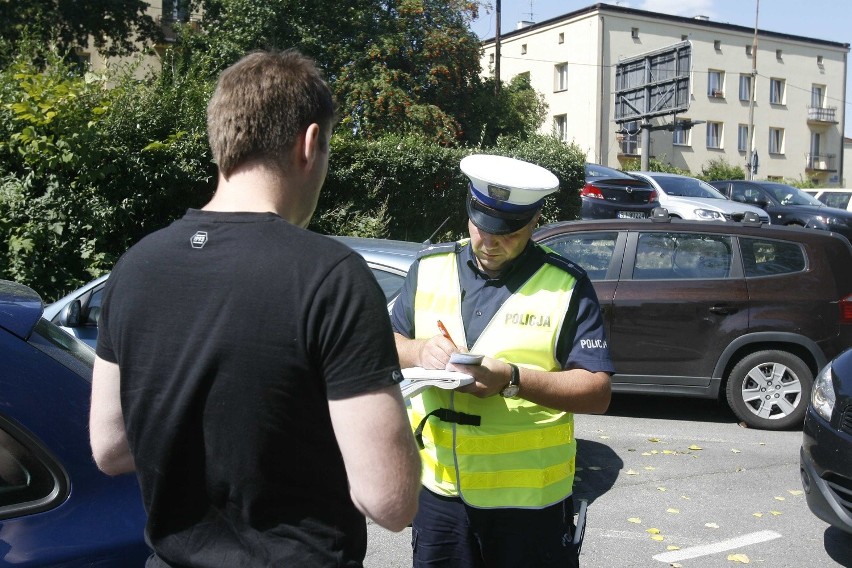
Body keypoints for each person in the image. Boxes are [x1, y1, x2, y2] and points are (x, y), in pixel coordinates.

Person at [89, 49, 422, 568]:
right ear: (309, 144)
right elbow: (391, 500)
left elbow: (109, 448)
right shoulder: (332, 277)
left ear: (222, 140)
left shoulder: (134, 267)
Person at [391, 154, 614, 568]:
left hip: (530, 506)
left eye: (508, 232)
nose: (490, 242)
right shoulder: (428, 268)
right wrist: (418, 351)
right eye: (481, 227)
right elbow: (386, 343)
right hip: (441, 498)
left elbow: (597, 391)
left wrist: (512, 378)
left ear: (534, 223)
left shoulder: (567, 285)